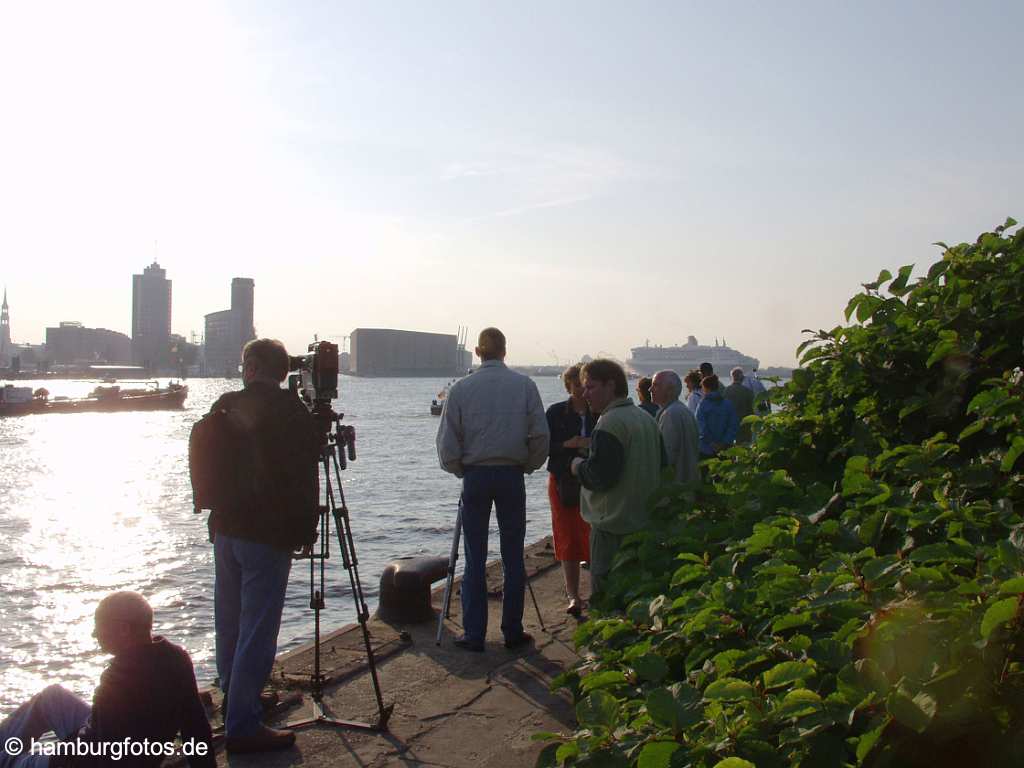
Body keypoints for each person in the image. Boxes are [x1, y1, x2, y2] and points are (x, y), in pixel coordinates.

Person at [206, 338, 320, 752]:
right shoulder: (293, 412)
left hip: (226, 529)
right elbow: (306, 478)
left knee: (229, 621)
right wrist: (306, 532)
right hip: (267, 535)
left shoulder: (225, 404)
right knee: (257, 628)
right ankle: (242, 725)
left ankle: (236, 698)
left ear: (252, 367)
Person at [0, 592, 214, 768]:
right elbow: (195, 726)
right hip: (123, 746)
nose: (94, 634)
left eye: (99, 625)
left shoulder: (117, 678)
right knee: (51, 698)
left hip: (94, 758)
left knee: (9, 761)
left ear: (124, 630)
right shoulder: (176, 658)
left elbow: (102, 757)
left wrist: (58, 757)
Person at [436, 327, 550, 652]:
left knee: (475, 555)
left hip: (475, 475)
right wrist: (528, 464)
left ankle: (474, 633)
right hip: (511, 473)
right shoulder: (524, 386)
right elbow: (541, 435)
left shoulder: (461, 389)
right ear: (505, 351)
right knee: (513, 553)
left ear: (477, 351)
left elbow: (447, 441)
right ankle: (512, 629)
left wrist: (459, 468)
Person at [570, 359, 663, 595]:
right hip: (643, 522)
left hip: (613, 526)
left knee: (607, 594)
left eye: (590, 387)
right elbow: (663, 465)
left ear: (610, 385)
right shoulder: (646, 419)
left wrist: (578, 466)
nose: (585, 394)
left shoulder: (610, 423)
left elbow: (601, 477)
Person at [545, 364, 596, 616]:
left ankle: (596, 591)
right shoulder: (555, 413)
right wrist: (570, 444)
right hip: (564, 480)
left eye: (584, 385)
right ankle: (573, 595)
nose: (580, 390)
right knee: (567, 537)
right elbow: (543, 447)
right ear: (568, 386)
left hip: (592, 481)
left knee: (594, 534)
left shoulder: (597, 412)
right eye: (576, 385)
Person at [650, 370, 700, 489]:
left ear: (670, 389)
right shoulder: (683, 411)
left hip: (675, 487)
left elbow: (667, 456)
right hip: (687, 483)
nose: (650, 389)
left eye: (656, 385)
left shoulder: (670, 415)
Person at [695, 374, 739, 458]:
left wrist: (712, 443)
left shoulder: (702, 404)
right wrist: (724, 443)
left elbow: (700, 427)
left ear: (705, 388)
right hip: (725, 449)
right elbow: (733, 425)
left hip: (706, 449)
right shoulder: (728, 404)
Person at [723, 367, 755, 443]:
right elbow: (751, 409)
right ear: (742, 378)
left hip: (729, 425)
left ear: (732, 377)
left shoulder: (726, 391)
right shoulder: (747, 392)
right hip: (744, 425)